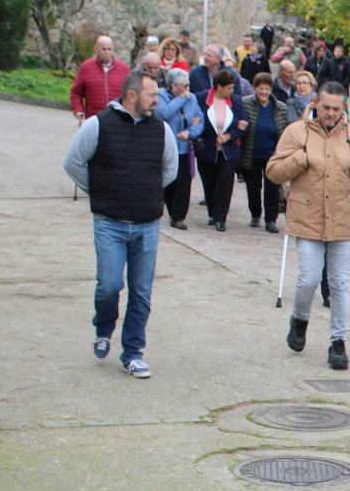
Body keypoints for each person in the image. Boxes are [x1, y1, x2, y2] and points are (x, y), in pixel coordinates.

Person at [62, 69, 178, 379]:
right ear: (131, 96)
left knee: (141, 291)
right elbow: (72, 162)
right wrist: (101, 191)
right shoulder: (97, 125)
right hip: (109, 223)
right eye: (152, 94)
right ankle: (103, 327)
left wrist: (147, 192)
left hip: (147, 224)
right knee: (110, 285)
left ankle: (133, 353)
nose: (157, 100)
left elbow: (170, 170)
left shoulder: (161, 129)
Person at [266, 80, 350, 371]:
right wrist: (299, 158)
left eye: (336, 108)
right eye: (326, 107)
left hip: (342, 219)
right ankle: (300, 318)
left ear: (344, 108)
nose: (330, 113)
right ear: (316, 103)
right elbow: (274, 172)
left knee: (340, 283)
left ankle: (338, 341)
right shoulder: (297, 132)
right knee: (308, 279)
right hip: (307, 218)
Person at [192, 68, 246, 232]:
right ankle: (212, 213)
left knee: (225, 184)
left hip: (228, 150)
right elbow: (196, 121)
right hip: (207, 149)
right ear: (218, 87)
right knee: (209, 183)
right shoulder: (201, 98)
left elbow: (243, 124)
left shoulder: (236, 101)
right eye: (228, 88)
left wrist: (230, 135)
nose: (231, 91)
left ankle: (221, 218)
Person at [239, 72, 288, 233]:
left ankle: (271, 219)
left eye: (267, 89)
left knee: (272, 189)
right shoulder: (246, 103)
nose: (263, 93)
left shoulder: (280, 107)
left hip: (272, 155)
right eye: (260, 89)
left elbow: (284, 130)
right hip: (252, 153)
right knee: (253, 187)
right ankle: (255, 214)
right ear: (255, 89)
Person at [157, 68, 203, 231]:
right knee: (169, 181)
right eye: (184, 85)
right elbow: (164, 113)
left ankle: (179, 217)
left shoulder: (193, 98)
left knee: (184, 183)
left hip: (185, 148)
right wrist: (181, 99)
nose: (187, 89)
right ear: (173, 85)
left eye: (188, 85)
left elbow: (198, 120)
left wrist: (190, 133)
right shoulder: (161, 95)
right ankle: (170, 211)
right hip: (167, 148)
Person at [70, 35, 130, 121]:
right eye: (104, 49)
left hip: (117, 119)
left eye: (109, 49)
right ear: (96, 49)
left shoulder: (124, 69)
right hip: (93, 118)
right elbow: (76, 92)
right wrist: (78, 110)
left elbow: (130, 94)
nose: (107, 52)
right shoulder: (86, 68)